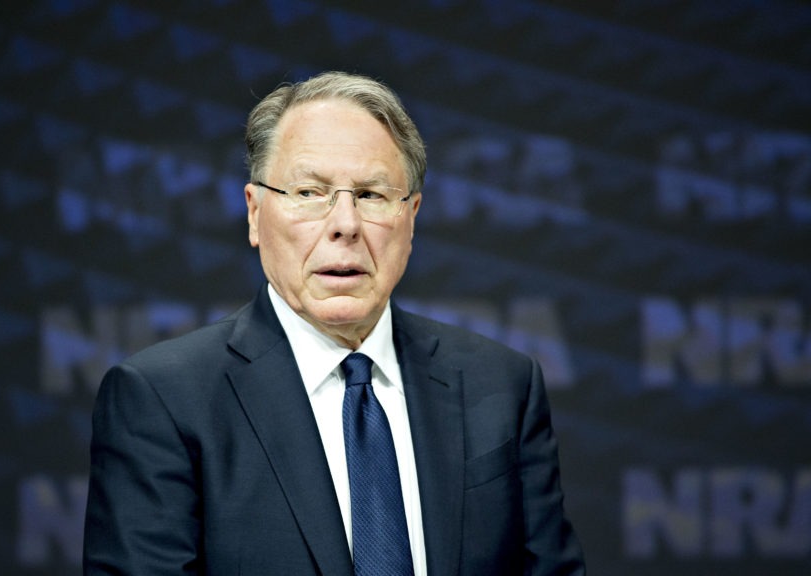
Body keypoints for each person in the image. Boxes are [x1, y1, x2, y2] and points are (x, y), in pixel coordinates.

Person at [84, 71, 585, 575]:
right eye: (309, 192)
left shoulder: (501, 385)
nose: (344, 224)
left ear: (411, 217)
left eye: (371, 195)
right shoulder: (163, 400)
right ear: (255, 214)